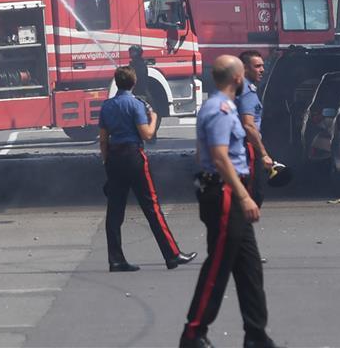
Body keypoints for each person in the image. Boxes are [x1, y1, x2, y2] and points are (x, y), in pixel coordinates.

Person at [179, 55, 279, 348]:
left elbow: (202, 154)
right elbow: (220, 157)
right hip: (225, 194)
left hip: (228, 192)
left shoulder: (221, 107)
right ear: (237, 78)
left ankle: (256, 334)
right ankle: (193, 332)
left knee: (249, 268)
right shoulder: (221, 109)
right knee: (218, 266)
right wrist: (244, 195)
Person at [99, 66, 196, 272]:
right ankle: (172, 254)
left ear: (116, 82)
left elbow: (103, 139)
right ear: (133, 83)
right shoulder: (136, 105)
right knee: (151, 207)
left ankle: (115, 259)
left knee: (114, 212)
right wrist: (153, 118)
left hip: (115, 158)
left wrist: (107, 163)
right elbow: (146, 134)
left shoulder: (107, 106)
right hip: (133, 156)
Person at [236, 51, 274, 206]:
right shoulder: (246, 92)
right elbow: (248, 125)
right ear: (244, 68)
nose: (262, 70)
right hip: (246, 149)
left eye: (262, 66)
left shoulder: (237, 87)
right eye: (257, 66)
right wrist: (263, 154)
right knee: (252, 195)